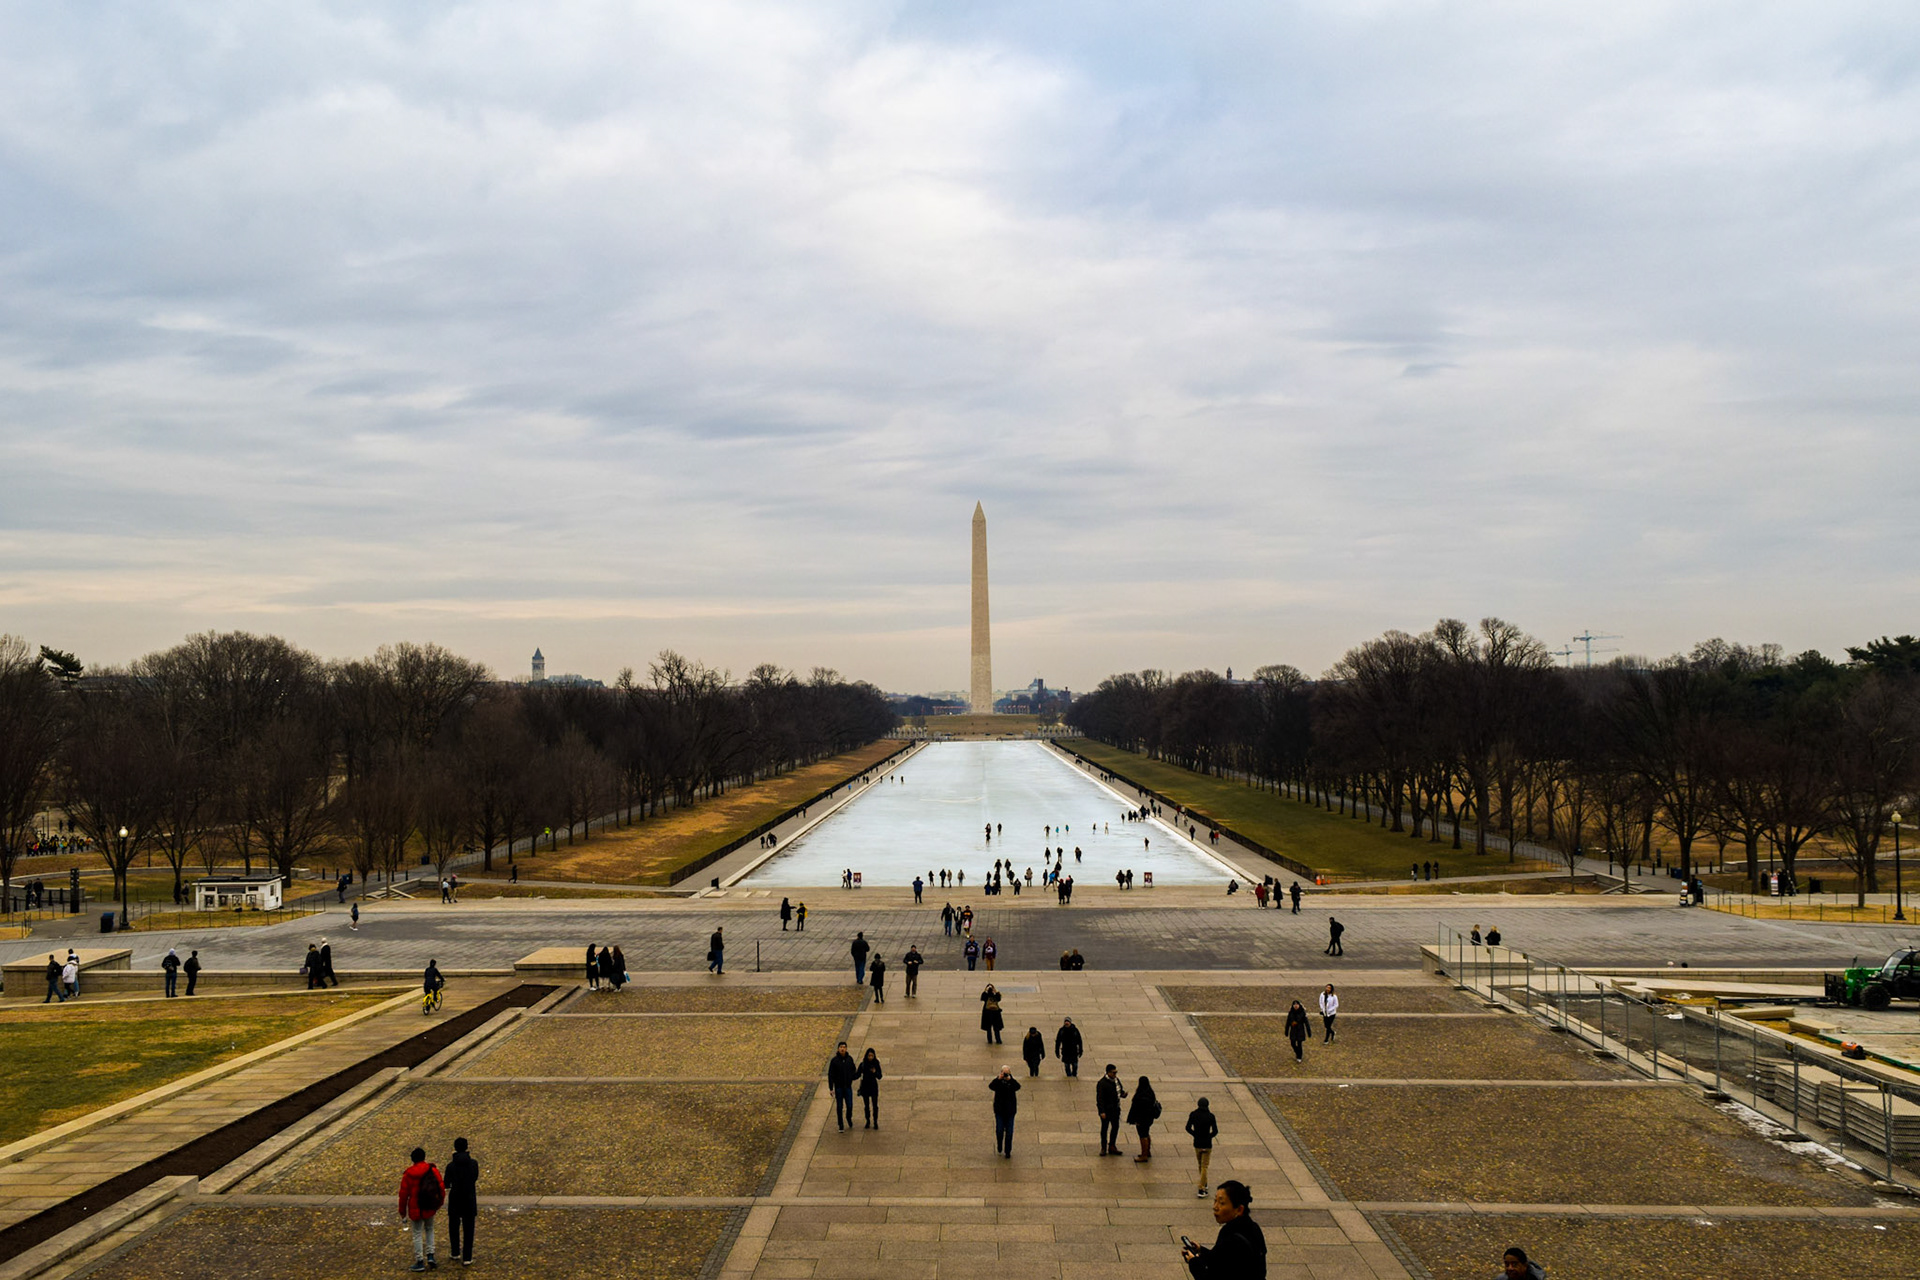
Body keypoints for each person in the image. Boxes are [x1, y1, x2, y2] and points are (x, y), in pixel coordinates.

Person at [1181, 1180, 1265, 1279]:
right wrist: (1201, 1251)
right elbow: (1221, 1260)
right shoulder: (1253, 1227)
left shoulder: (1231, 1238)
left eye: (1221, 1203)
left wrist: (1194, 1262)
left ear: (1239, 1209)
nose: (1215, 1207)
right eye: (1215, 1201)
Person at [398, 1145, 445, 1272]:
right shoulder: (432, 1170)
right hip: (429, 1205)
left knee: (417, 1234)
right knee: (430, 1229)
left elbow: (403, 1195)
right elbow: (441, 1187)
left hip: (415, 1207)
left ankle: (419, 1261)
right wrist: (439, 1203)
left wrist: (402, 1212)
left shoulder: (408, 1174)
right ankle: (431, 1255)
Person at [444, 1137, 479, 1267]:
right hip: (469, 1198)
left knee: (454, 1227)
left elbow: (446, 1183)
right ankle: (467, 1256)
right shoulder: (473, 1164)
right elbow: (475, 1177)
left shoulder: (451, 1166)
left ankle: (455, 1252)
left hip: (455, 1199)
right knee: (469, 1229)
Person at [1185, 1096, 1219, 1197]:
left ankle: (1204, 1182)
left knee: (1200, 1164)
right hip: (1207, 1144)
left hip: (1197, 1143)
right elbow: (1215, 1131)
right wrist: (1209, 1137)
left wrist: (1195, 1134)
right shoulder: (1211, 1116)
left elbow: (1187, 1128)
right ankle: (1202, 1188)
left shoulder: (1193, 1114)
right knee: (1205, 1166)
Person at [988, 1066, 1020, 1157]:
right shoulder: (998, 1082)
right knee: (999, 1130)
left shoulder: (1012, 1082)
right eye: (1003, 1072)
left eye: (1007, 1073)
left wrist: (1010, 1080)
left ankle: (1008, 1150)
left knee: (1009, 1132)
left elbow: (1018, 1087)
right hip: (1000, 1111)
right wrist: (998, 1079)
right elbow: (991, 1086)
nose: (1005, 1074)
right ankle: (999, 1144)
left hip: (1010, 1111)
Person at [1128, 1074, 1161, 1162]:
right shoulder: (1150, 1093)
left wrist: (1136, 1120)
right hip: (1149, 1119)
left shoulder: (1140, 1095)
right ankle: (1147, 1151)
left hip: (1141, 1120)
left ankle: (1144, 1155)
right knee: (1146, 1133)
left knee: (1143, 1136)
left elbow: (1137, 1108)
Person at [1095, 1063, 1127, 1155]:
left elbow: (1120, 1091)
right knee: (1104, 1129)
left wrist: (1123, 1094)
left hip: (1115, 1109)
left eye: (1116, 1072)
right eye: (1113, 1072)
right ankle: (1103, 1147)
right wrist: (1102, 1111)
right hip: (1106, 1110)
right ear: (1108, 1072)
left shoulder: (1116, 1080)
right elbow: (1099, 1099)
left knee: (1115, 1127)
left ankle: (1112, 1145)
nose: (1115, 1074)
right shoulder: (1102, 1083)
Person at [827, 1042, 857, 1131]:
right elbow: (830, 1075)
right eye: (841, 1047)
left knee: (850, 1105)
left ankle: (848, 1117)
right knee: (839, 1107)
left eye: (844, 1047)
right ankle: (840, 1124)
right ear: (838, 1049)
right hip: (839, 1087)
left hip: (847, 1086)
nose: (842, 1049)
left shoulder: (849, 1059)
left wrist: (852, 1077)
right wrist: (831, 1088)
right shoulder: (834, 1061)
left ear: (846, 1049)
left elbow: (853, 1070)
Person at [857, 1047, 884, 1128]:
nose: (870, 1057)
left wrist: (875, 1072)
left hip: (873, 1086)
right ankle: (868, 1120)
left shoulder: (876, 1064)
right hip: (865, 1086)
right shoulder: (863, 1064)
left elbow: (880, 1076)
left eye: (872, 1056)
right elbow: (858, 1074)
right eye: (869, 1055)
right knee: (866, 1105)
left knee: (875, 1105)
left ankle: (875, 1121)